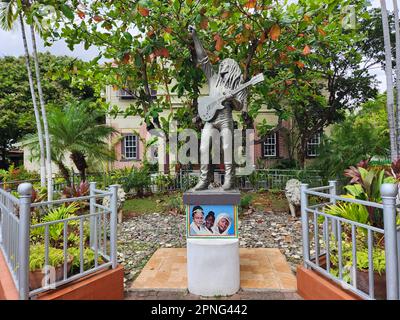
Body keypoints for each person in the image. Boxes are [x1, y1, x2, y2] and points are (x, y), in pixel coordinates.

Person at [188, 25, 248, 191]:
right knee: (203, 147)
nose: (222, 67)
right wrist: (195, 37)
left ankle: (229, 180)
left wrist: (232, 98)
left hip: (225, 118)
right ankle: (204, 180)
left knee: (227, 147)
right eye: (221, 66)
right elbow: (203, 58)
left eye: (226, 66)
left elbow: (240, 106)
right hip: (210, 119)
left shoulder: (238, 86)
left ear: (232, 69)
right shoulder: (213, 79)